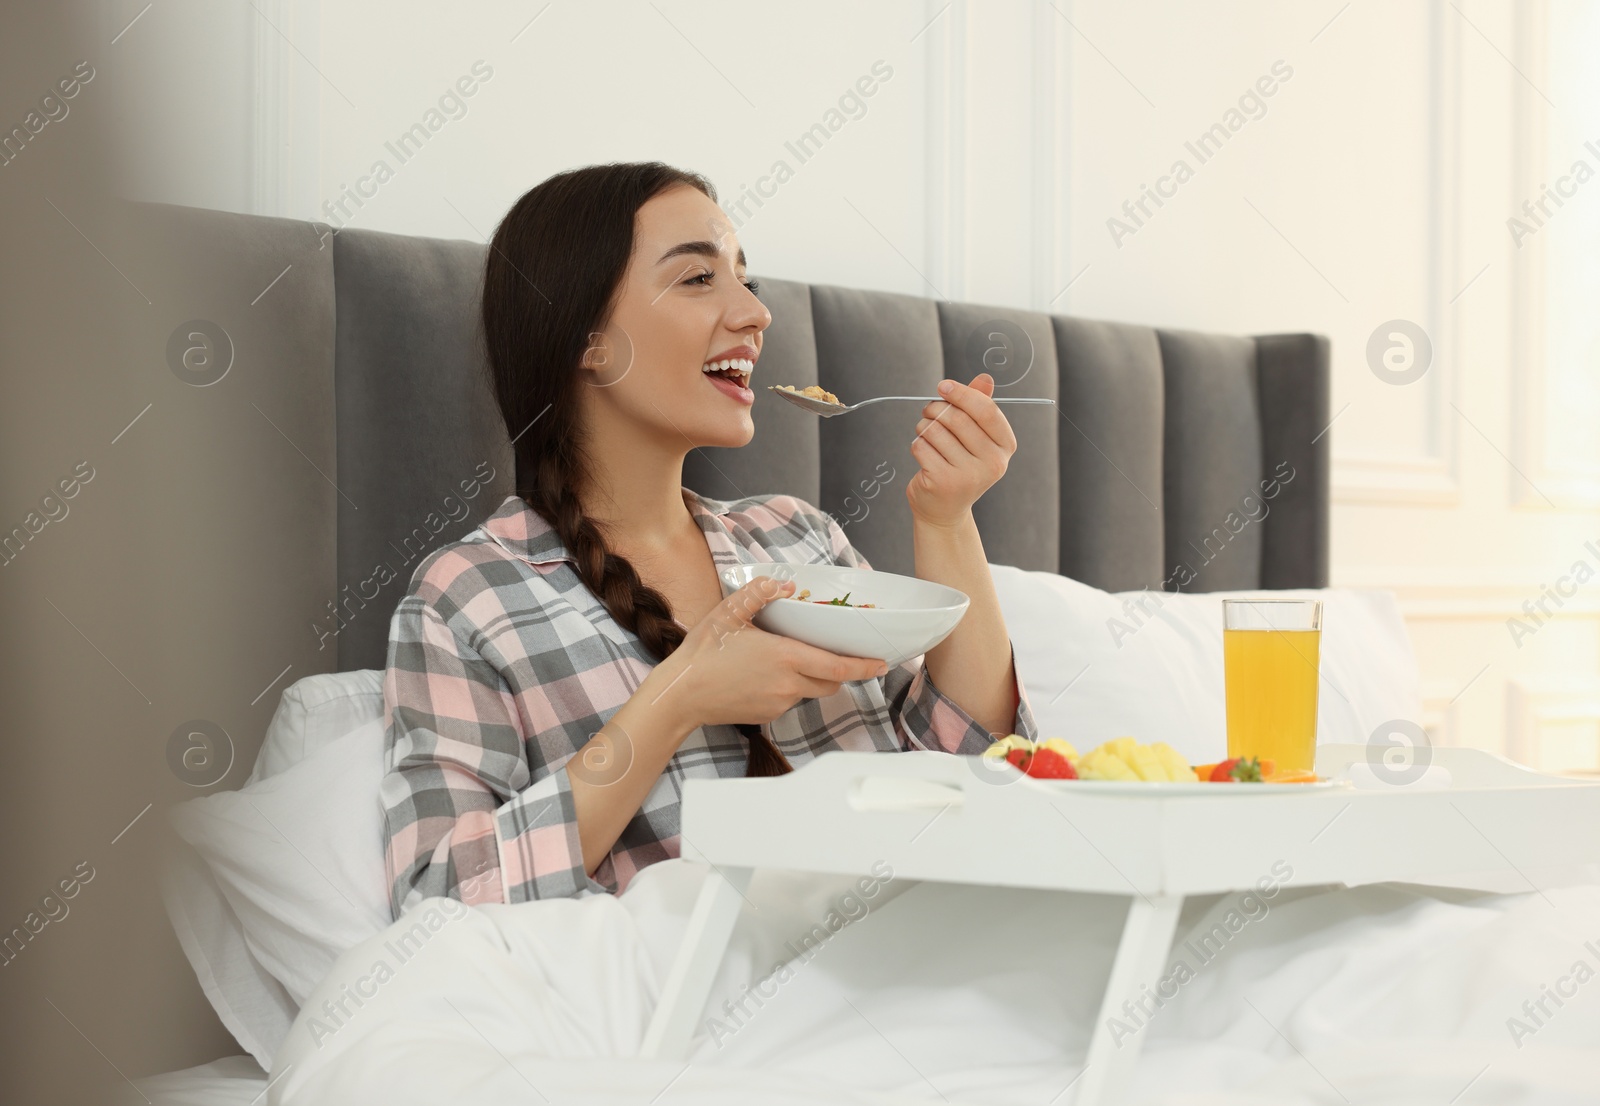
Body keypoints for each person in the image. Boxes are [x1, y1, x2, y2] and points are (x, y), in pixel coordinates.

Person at [378, 161, 1038, 919]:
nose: (755, 313)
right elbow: (439, 905)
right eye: (698, 279)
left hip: (924, 957)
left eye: (745, 280)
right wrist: (679, 698)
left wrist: (947, 519)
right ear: (588, 340)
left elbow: (981, 771)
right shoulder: (469, 598)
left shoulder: (800, 538)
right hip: (701, 1013)